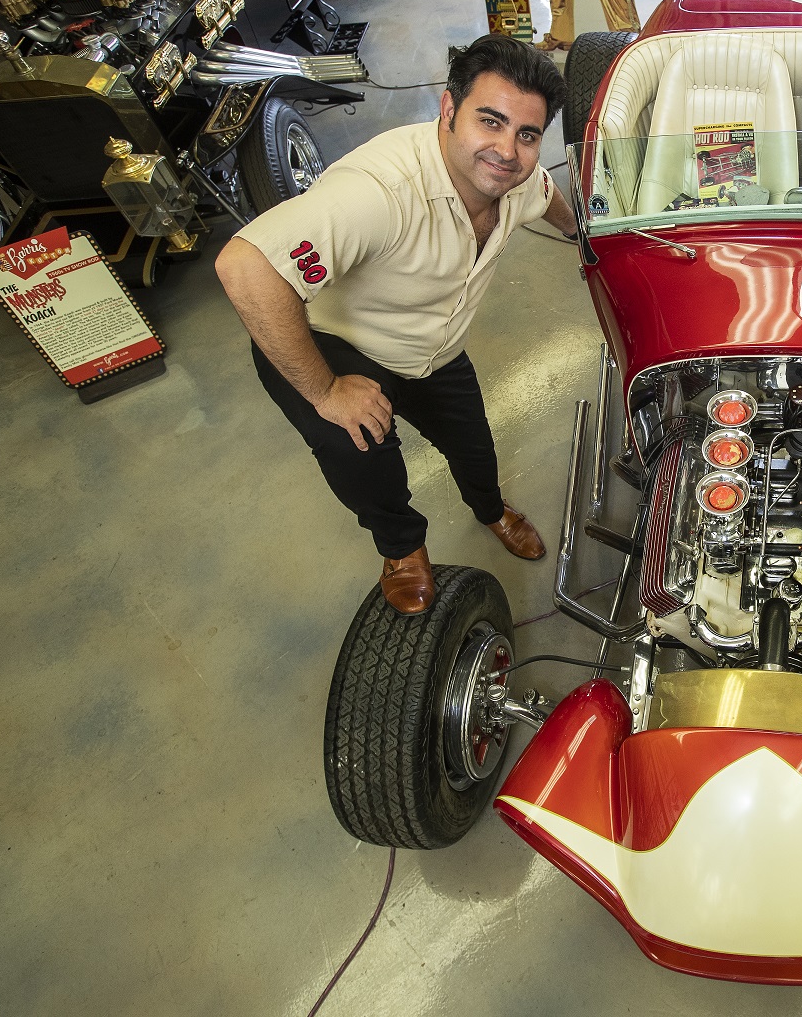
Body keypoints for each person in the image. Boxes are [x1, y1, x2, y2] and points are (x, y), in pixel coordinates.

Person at [217, 35, 579, 615]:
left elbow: (546, 192)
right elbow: (246, 266)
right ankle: (402, 548)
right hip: (333, 344)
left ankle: (489, 509)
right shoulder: (378, 193)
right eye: (490, 121)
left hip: (431, 345)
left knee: (473, 444)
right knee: (363, 457)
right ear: (447, 110)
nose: (507, 150)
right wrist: (325, 389)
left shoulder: (513, 180)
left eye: (527, 134)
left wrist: (580, 231)